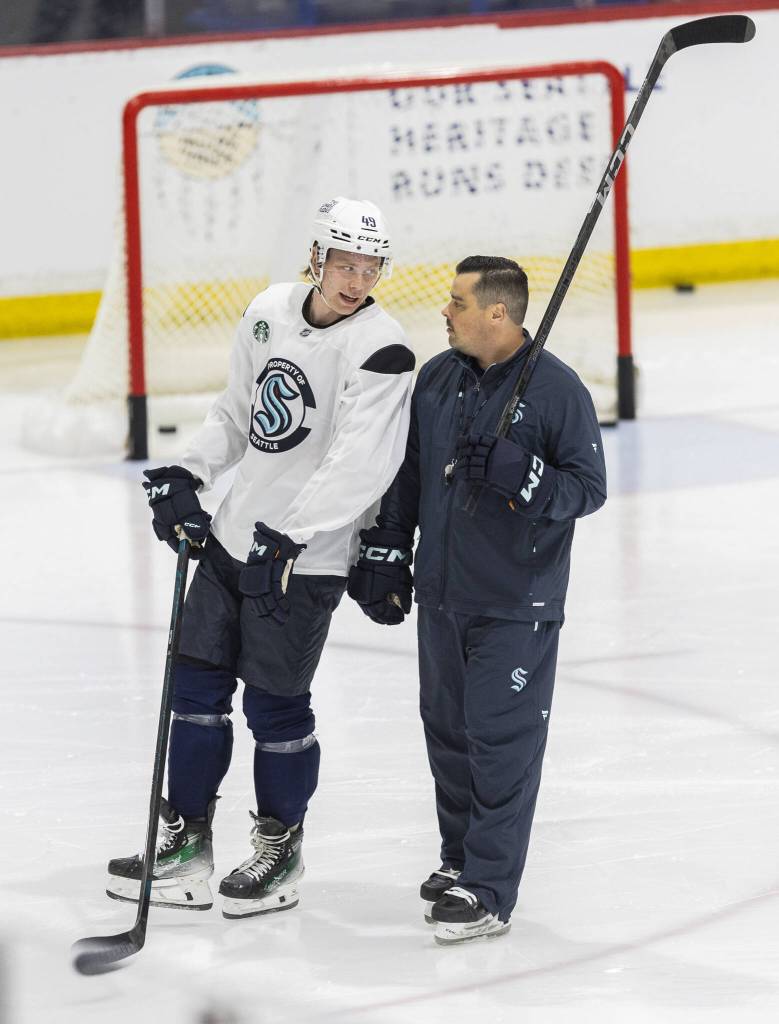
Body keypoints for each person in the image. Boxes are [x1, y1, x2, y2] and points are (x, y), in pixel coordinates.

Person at [107, 197, 415, 918]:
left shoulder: (383, 346)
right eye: (343, 261)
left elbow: (362, 464)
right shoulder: (269, 311)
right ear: (314, 257)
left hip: (303, 561)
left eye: (369, 265)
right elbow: (236, 412)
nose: (355, 276)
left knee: (275, 708)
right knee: (195, 690)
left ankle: (280, 852)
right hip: (231, 536)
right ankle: (186, 846)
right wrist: (189, 473)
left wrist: (294, 531)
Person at [347, 255, 607, 945]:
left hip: (514, 603)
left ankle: (488, 889)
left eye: (457, 301)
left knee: (499, 744)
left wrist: (523, 476)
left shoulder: (555, 390)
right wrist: (385, 549)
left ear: (498, 312)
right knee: (449, 739)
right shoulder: (437, 379)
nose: (445, 310)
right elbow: (406, 476)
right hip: (441, 595)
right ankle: (460, 857)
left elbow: (587, 488)